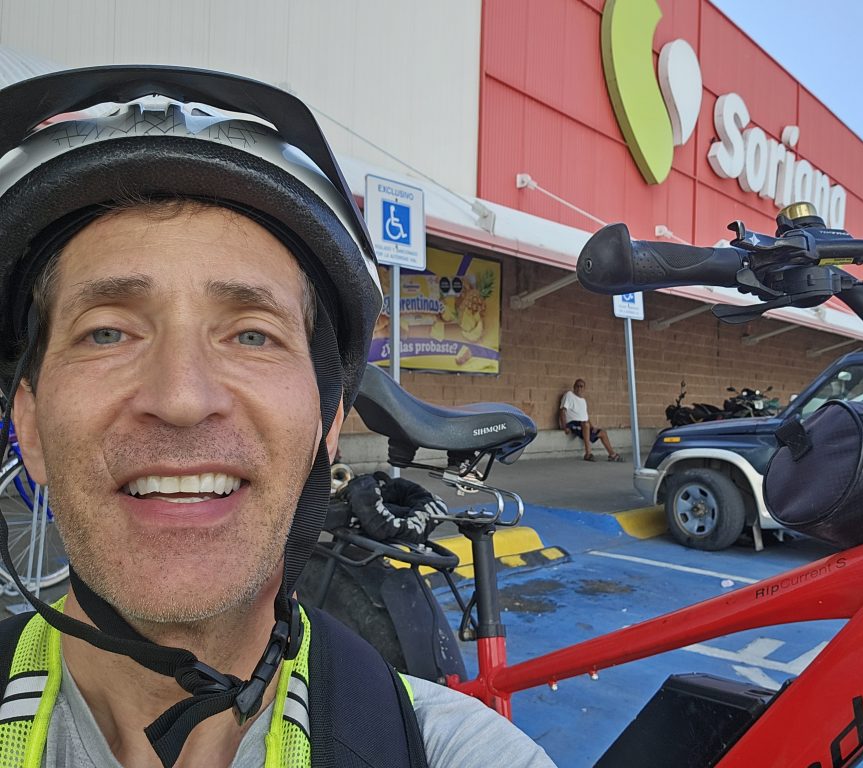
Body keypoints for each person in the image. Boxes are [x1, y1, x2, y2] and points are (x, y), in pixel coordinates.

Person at [0, 66, 555, 768]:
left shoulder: (441, 751)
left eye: (252, 334)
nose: (181, 398)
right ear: (28, 422)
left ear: (327, 425)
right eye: (108, 332)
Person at [559, 379, 621, 462]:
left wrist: (593, 427)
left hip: (583, 425)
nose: (579, 388)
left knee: (602, 432)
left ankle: (612, 454)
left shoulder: (583, 401)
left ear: (584, 388)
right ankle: (588, 454)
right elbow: (562, 410)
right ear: (574, 387)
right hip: (573, 424)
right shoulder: (569, 395)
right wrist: (564, 426)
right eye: (577, 386)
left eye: (581, 386)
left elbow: (586, 416)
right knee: (586, 424)